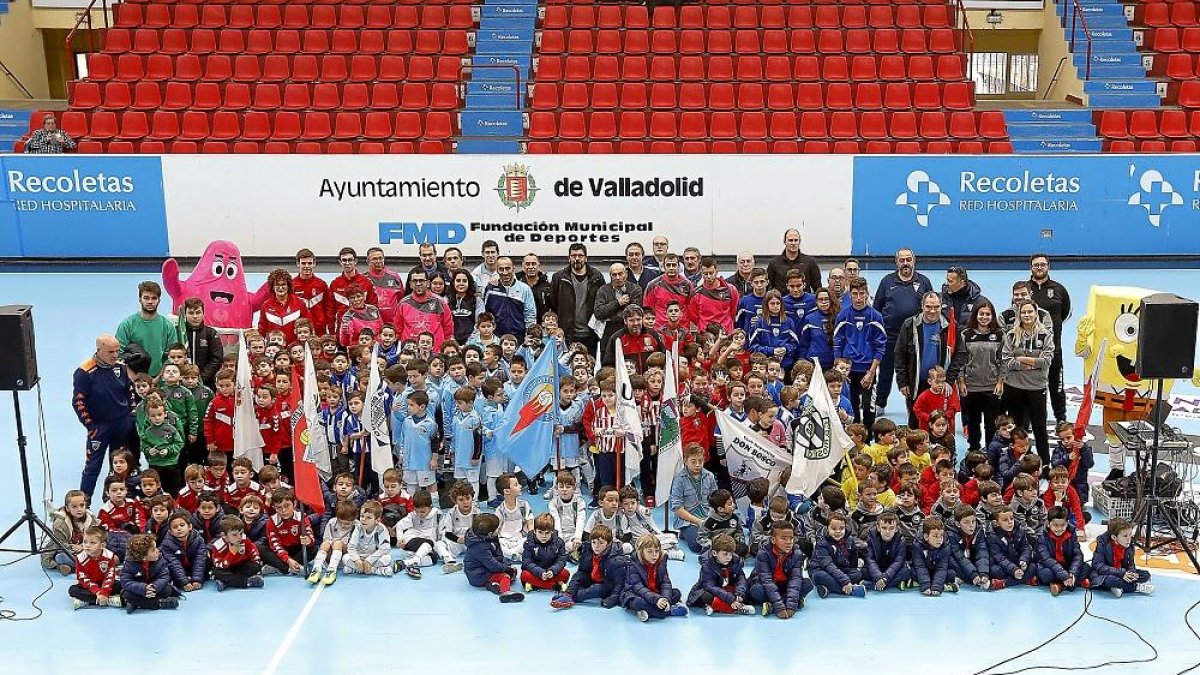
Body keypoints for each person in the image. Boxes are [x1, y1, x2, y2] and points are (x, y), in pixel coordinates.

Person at [74, 334, 136, 501]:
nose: (115, 355)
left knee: (120, 466)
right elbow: (78, 402)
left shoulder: (121, 367)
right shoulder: (85, 371)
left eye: (117, 351)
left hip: (122, 424)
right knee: (92, 467)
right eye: (110, 352)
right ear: (99, 350)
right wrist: (91, 427)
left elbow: (129, 392)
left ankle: (119, 502)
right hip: (100, 428)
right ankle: (83, 505)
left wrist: (131, 415)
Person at [873, 248, 934, 414]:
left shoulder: (924, 282)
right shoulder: (887, 281)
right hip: (890, 337)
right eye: (902, 260)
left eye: (908, 259)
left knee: (913, 373)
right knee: (885, 373)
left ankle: (914, 406)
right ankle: (880, 403)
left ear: (914, 261)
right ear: (896, 262)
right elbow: (877, 308)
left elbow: (932, 307)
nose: (905, 263)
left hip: (914, 338)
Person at [1001, 300, 1055, 467]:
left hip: (1036, 388)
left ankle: (1045, 464)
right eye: (1023, 312)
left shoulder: (1046, 335)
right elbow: (1007, 361)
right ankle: (1017, 461)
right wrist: (1033, 363)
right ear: (1019, 315)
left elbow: (1046, 361)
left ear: (1036, 314)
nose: (1027, 315)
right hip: (1014, 388)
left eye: (1030, 312)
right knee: (1017, 429)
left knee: (1040, 430)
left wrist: (1022, 359)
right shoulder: (1011, 335)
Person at [948, 300, 1004, 453]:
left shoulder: (999, 335)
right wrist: (961, 381)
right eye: (981, 314)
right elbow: (960, 359)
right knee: (973, 422)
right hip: (971, 386)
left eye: (988, 314)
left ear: (992, 316)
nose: (984, 317)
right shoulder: (966, 334)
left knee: (991, 424)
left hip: (991, 386)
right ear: (975, 315)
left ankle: (991, 452)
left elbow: (1003, 361)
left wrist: (1000, 382)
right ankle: (974, 450)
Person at [833, 278, 887, 432]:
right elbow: (838, 342)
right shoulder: (843, 316)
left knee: (869, 408)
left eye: (861, 294)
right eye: (855, 294)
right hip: (848, 370)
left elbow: (880, 346)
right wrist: (839, 370)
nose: (858, 298)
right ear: (850, 294)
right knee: (852, 405)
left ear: (867, 294)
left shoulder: (875, 316)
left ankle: (868, 439)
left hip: (868, 369)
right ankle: (853, 438)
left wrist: (871, 372)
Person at [895, 291, 951, 429]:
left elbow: (959, 355)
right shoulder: (910, 325)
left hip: (939, 384)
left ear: (941, 306)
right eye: (928, 307)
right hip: (915, 383)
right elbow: (899, 354)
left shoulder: (949, 326)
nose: (932, 311)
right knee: (915, 421)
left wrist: (949, 380)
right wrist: (902, 382)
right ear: (922, 306)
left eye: (936, 307)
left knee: (939, 422)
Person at [1028, 254, 1071, 425]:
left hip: (1054, 348)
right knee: (1031, 386)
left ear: (1048, 266)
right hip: (1030, 349)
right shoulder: (1025, 289)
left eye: (1043, 264)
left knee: (1056, 385)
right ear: (1031, 267)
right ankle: (1030, 419)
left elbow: (1065, 313)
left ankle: (1061, 419)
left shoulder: (1059, 289)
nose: (1039, 267)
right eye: (1036, 265)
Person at [552, 523, 627, 609]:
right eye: (594, 542)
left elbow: (619, 584)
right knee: (578, 575)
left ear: (608, 543)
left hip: (606, 585)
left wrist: (612, 600)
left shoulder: (616, 560)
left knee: (596, 589)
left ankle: (570, 597)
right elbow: (581, 570)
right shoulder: (587, 549)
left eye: (601, 543)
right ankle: (568, 595)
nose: (596, 546)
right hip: (592, 578)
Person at [747, 522, 812, 617]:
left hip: (784, 585)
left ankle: (772, 605)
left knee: (807, 584)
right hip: (766, 585)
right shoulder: (763, 554)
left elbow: (795, 580)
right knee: (756, 590)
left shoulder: (797, 554)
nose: (789, 542)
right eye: (783, 538)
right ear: (773, 540)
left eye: (791, 538)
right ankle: (794, 601)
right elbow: (767, 581)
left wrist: (790, 607)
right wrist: (780, 608)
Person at [551, 243, 605, 356]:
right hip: (567, 333)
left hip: (591, 332)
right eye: (573, 255)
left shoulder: (597, 277)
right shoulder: (559, 277)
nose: (577, 258)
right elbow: (553, 304)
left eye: (580, 255)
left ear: (586, 258)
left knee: (589, 365)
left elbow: (602, 303)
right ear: (568, 258)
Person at [116, 281, 178, 377]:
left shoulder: (168, 326)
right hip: (133, 380)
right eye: (146, 298)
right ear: (140, 299)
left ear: (159, 300)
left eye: (154, 298)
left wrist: (157, 379)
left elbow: (172, 357)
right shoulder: (127, 324)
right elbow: (118, 355)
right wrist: (134, 378)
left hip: (159, 381)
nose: (150, 301)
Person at [621, 534, 687, 621]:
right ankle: (667, 611)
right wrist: (656, 599)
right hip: (637, 594)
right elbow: (638, 588)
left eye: (657, 551)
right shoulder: (633, 564)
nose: (654, 555)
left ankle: (649, 612)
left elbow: (665, 583)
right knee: (636, 602)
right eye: (649, 551)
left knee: (676, 593)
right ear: (641, 552)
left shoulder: (661, 561)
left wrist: (665, 599)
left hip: (656, 592)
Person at [464, 513, 525, 603]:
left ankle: (492, 585)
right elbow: (492, 564)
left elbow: (498, 553)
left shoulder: (488, 537)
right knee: (506, 576)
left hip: (483, 569)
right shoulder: (479, 547)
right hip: (478, 575)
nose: (499, 529)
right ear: (490, 533)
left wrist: (505, 564)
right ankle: (505, 592)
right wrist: (506, 569)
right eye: (497, 528)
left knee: (512, 572)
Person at [688, 533, 753, 615]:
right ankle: (738, 608)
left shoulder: (736, 560)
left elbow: (740, 578)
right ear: (715, 553)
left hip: (728, 588)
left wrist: (739, 594)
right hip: (714, 590)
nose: (729, 557)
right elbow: (709, 586)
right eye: (725, 554)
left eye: (731, 554)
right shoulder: (707, 564)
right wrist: (730, 599)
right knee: (706, 596)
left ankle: (716, 606)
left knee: (747, 591)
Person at [670, 444, 718, 553]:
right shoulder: (679, 479)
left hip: (708, 517)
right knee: (697, 545)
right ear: (685, 460)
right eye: (693, 461)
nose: (697, 465)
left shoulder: (710, 476)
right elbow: (678, 509)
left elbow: (715, 500)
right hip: (688, 521)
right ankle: (684, 533)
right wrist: (699, 522)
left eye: (700, 461)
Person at [1089, 518, 1154, 597]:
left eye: (1130, 535)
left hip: (1122, 573)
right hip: (1106, 574)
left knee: (1145, 575)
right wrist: (1121, 573)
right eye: (1125, 536)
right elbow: (1098, 566)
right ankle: (1136, 587)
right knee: (1108, 580)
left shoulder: (1129, 545)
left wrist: (1132, 572)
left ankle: (1120, 586)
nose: (1129, 539)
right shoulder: (1102, 544)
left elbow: (1131, 564)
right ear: (1114, 537)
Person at [1034, 506, 1091, 596]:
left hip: (1067, 566)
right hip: (1050, 567)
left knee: (1086, 567)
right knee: (1046, 574)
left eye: (1063, 525)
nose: (1059, 529)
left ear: (1067, 523)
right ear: (1048, 524)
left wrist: (1072, 573)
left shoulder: (1072, 533)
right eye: (1055, 525)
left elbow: (1077, 555)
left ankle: (1060, 586)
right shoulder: (1042, 536)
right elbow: (1046, 559)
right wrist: (1064, 575)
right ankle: (1074, 584)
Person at [119, 534, 182, 612]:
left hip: (155, 589)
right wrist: (143, 588)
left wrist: (154, 586)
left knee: (167, 589)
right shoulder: (129, 563)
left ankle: (136, 603)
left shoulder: (160, 559)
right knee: (125, 593)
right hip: (139, 590)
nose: (158, 551)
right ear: (143, 556)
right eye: (153, 550)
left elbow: (164, 577)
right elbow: (126, 581)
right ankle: (159, 603)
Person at [811, 513, 868, 598]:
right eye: (833, 528)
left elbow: (853, 563)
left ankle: (829, 588)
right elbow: (828, 565)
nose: (838, 531)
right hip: (823, 570)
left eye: (841, 528)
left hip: (841, 570)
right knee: (818, 576)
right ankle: (851, 590)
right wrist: (845, 581)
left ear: (845, 528)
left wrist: (847, 576)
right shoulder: (821, 544)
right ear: (827, 528)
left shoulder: (850, 541)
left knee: (857, 574)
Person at [395, 268, 454, 349]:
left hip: (435, 353)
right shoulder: (403, 304)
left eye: (421, 280)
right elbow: (398, 329)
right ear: (410, 284)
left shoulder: (440, 302)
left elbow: (448, 328)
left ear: (428, 283)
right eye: (415, 281)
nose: (418, 284)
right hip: (411, 352)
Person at [68, 527, 123, 610]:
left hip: (105, 584)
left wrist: (104, 592)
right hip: (90, 587)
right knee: (73, 590)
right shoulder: (80, 558)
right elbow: (83, 578)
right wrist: (97, 592)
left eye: (92, 543)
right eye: (85, 542)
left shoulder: (109, 556)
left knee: (121, 585)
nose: (87, 545)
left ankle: (87, 601)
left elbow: (109, 576)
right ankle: (109, 600)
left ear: (102, 545)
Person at [483, 256, 537, 341]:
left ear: (513, 269)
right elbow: (485, 314)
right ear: (497, 270)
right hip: (496, 337)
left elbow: (530, 315)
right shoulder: (490, 289)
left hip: (519, 337)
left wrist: (529, 335)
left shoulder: (524, 289)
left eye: (508, 268)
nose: (505, 272)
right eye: (501, 269)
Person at [595, 263, 644, 356]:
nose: (617, 277)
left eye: (620, 274)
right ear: (610, 276)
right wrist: (618, 303)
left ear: (625, 274)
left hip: (629, 332)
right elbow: (598, 312)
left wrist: (610, 315)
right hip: (608, 333)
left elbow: (634, 312)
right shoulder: (603, 290)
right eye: (614, 275)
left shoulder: (635, 289)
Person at [328, 247, 379, 334]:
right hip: (342, 332)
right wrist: (332, 332)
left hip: (363, 334)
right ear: (340, 262)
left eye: (350, 260)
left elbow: (374, 308)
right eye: (344, 260)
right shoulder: (335, 284)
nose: (347, 263)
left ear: (355, 261)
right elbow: (330, 311)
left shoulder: (366, 282)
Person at [176, 298, 223, 388]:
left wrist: (200, 379)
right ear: (185, 314)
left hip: (205, 384)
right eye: (191, 313)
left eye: (198, 312)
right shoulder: (178, 331)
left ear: (203, 313)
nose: (195, 316)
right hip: (181, 382)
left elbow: (217, 359)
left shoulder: (211, 333)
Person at [210, 515, 265, 591]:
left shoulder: (244, 539)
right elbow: (219, 565)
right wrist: (231, 554)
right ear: (224, 535)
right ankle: (247, 582)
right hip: (227, 569)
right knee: (217, 573)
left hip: (241, 566)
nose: (239, 537)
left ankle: (226, 582)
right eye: (234, 535)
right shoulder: (217, 546)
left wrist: (257, 564)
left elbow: (253, 552)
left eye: (241, 533)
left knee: (255, 567)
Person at [687, 256, 740, 335]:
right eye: (705, 273)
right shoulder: (696, 293)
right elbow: (693, 317)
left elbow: (733, 312)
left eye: (711, 273)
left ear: (717, 271)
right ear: (701, 273)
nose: (708, 276)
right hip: (705, 336)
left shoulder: (731, 290)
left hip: (726, 334)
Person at [601, 305, 663, 371]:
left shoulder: (652, 335)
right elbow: (608, 366)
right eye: (631, 320)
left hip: (651, 379)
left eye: (638, 319)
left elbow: (662, 358)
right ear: (625, 321)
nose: (635, 323)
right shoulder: (616, 339)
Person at [258, 269, 311, 346]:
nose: (280, 288)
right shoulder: (266, 305)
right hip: (275, 349)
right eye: (277, 285)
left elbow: (308, 326)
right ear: (272, 287)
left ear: (288, 286)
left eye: (283, 285)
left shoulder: (299, 303)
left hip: (296, 349)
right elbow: (262, 329)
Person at [520, 513, 570, 593]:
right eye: (540, 532)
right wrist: (540, 572)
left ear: (552, 532)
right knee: (524, 575)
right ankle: (553, 586)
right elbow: (527, 562)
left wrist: (553, 571)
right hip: (535, 573)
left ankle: (535, 585)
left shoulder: (559, 542)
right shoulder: (529, 543)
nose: (543, 536)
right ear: (535, 531)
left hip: (551, 573)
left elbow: (561, 560)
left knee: (565, 574)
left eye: (547, 533)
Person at [865, 512, 913, 591]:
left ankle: (872, 585)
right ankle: (894, 583)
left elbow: (898, 562)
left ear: (896, 529)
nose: (887, 531)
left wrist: (885, 578)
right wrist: (878, 576)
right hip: (877, 568)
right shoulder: (871, 538)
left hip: (892, 570)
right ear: (878, 527)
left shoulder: (901, 540)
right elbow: (870, 560)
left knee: (906, 572)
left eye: (891, 528)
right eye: (884, 528)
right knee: (860, 573)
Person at [644, 254, 694, 328]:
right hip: (659, 329)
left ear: (678, 267)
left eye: (674, 265)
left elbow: (692, 308)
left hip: (682, 330)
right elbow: (647, 309)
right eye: (668, 265)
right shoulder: (653, 285)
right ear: (664, 267)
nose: (671, 268)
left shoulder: (687, 285)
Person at [766, 229, 823, 294]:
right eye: (790, 240)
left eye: (796, 240)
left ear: (800, 241)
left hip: (804, 303)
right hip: (782, 302)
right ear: (784, 241)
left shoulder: (810, 262)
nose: (793, 243)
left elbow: (817, 287)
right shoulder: (774, 263)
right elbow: (768, 287)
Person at [292, 248, 330, 335]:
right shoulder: (292, 285)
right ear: (298, 264)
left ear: (314, 264)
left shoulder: (321, 284)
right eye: (303, 263)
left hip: (320, 330)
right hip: (299, 331)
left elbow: (328, 308)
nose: (306, 266)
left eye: (309, 263)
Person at [364, 247, 406, 323]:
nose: (378, 261)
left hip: (391, 325)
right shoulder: (363, 279)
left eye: (380, 258)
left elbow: (401, 301)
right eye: (374, 259)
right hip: (371, 323)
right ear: (368, 261)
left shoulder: (394, 277)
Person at [521, 253, 555, 322]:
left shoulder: (548, 285)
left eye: (533, 264)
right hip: (521, 326)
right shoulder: (517, 284)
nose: (530, 267)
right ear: (523, 266)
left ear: (539, 266)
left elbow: (553, 308)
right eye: (527, 264)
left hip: (542, 326)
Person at [448, 270, 478, 345]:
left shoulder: (476, 300)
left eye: (464, 281)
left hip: (471, 341)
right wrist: (451, 339)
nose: (461, 283)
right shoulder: (447, 301)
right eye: (458, 281)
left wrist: (470, 341)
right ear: (453, 282)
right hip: (452, 341)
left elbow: (479, 323)